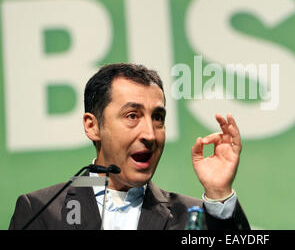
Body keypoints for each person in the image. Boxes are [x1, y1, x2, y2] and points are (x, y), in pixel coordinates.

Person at [9, 63, 250, 230]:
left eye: (158, 118)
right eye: (132, 116)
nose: (150, 134)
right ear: (92, 126)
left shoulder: (194, 218)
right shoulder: (42, 211)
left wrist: (219, 193)